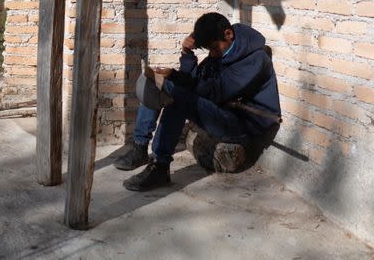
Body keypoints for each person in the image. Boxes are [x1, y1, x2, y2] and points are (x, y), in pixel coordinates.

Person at [114, 12, 281, 191]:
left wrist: (174, 79)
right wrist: (187, 54)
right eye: (208, 50)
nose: (211, 54)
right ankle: (140, 147)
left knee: (175, 94)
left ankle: (160, 166)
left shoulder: (255, 60)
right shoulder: (223, 50)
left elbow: (215, 92)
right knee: (155, 85)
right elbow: (194, 79)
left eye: (213, 48)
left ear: (228, 34)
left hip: (243, 124)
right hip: (222, 110)